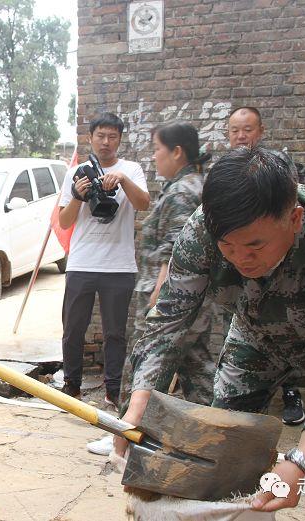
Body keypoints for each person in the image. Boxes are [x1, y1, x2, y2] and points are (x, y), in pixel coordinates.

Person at [115, 147, 305, 520]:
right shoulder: (201, 231)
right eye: (227, 247)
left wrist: (300, 462)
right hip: (255, 343)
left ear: (293, 219)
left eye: (254, 245)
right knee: (222, 458)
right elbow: (168, 321)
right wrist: (138, 403)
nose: (240, 258)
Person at [88, 121, 215, 457]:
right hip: (189, 304)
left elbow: (176, 253)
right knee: (198, 367)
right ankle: (219, 426)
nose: (155, 157)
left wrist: (159, 302)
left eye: (158, 149)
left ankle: (125, 433)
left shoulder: (182, 192)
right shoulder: (190, 185)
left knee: (142, 363)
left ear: (177, 152)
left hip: (170, 304)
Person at [57, 112, 150, 407]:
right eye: (101, 136)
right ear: (90, 138)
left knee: (115, 333)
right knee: (73, 330)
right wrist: (77, 196)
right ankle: (72, 386)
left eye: (112, 136)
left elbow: (144, 203)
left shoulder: (131, 169)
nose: (106, 142)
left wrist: (122, 180)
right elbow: (63, 221)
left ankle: (113, 390)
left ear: (119, 140)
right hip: (81, 263)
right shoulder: (77, 171)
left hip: (119, 266)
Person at [228, 106, 305, 426]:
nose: (241, 136)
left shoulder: (278, 169)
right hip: (242, 273)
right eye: (234, 130)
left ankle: (291, 393)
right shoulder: (223, 173)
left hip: (280, 268)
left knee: (282, 330)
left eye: (247, 129)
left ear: (260, 132)